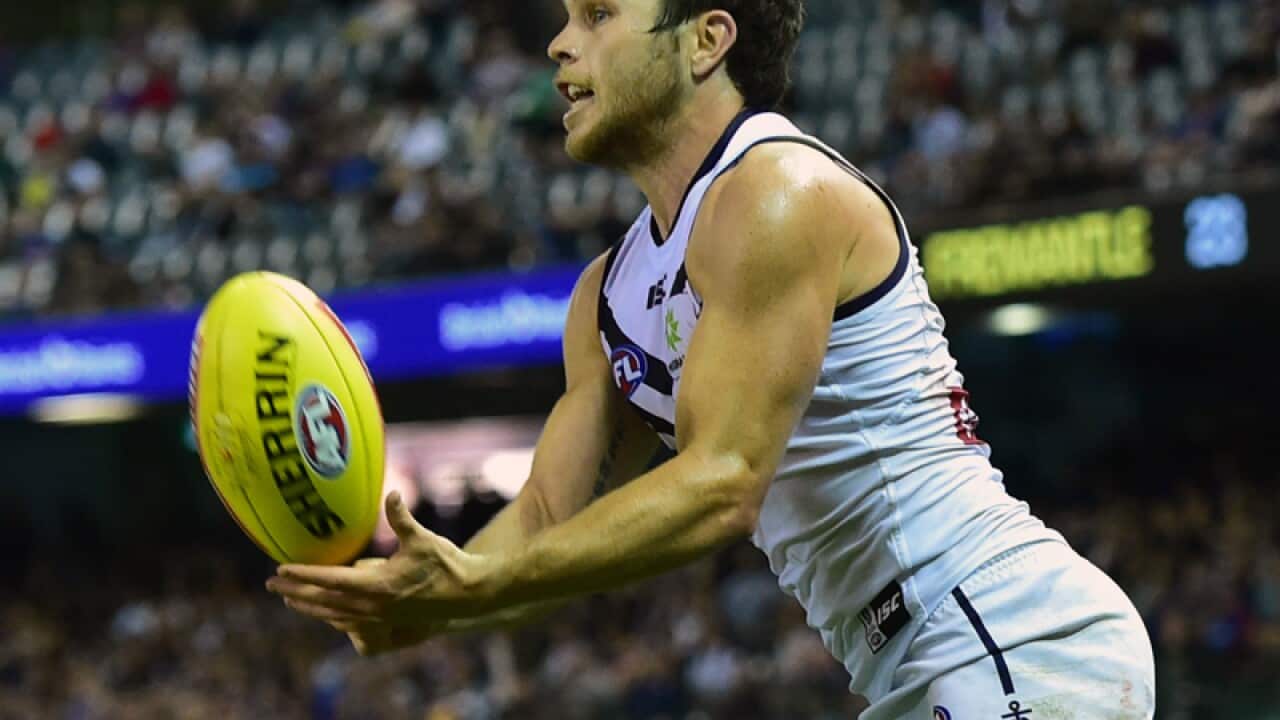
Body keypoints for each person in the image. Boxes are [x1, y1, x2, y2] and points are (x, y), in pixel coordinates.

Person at [267, 1, 1157, 716]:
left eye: (598, 15)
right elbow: (545, 517)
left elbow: (723, 480)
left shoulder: (777, 192)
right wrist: (419, 600)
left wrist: (472, 587)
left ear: (706, 39)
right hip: (916, 666)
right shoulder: (604, 298)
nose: (558, 44)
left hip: (1007, 631)